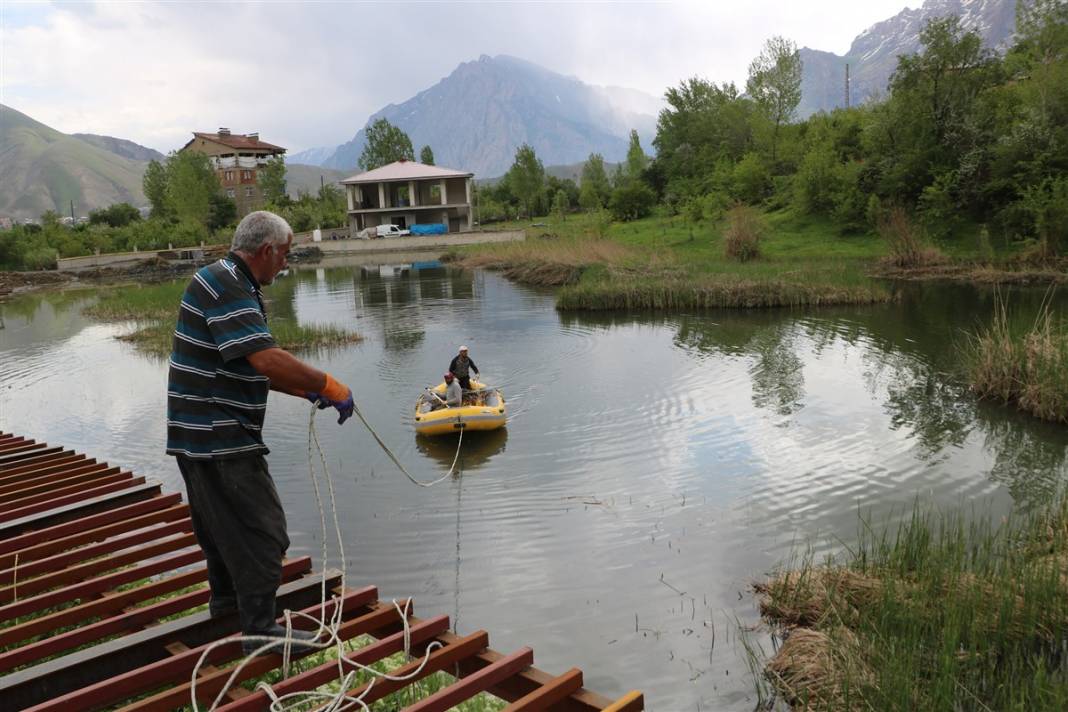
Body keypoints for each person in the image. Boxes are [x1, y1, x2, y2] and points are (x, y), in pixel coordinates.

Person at [166, 210, 355, 655]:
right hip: (218, 432)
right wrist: (328, 383)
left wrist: (306, 393)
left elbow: (252, 366)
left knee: (218, 526)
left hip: (197, 432)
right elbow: (266, 359)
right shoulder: (228, 284)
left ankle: (227, 605)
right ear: (267, 250)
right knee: (263, 530)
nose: (286, 264)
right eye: (285, 254)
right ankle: (261, 630)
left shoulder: (226, 279)